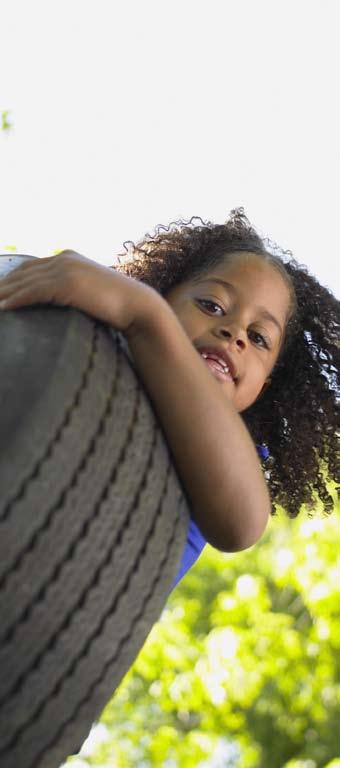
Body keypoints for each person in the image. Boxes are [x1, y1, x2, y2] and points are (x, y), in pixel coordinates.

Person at [0, 208, 338, 594]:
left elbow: (241, 523)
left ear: (265, 386)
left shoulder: (231, 455)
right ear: (163, 292)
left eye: (259, 338)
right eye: (211, 306)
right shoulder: (92, 359)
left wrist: (145, 314)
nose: (235, 334)